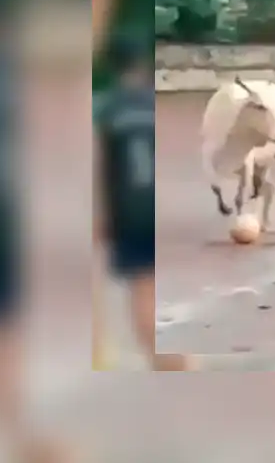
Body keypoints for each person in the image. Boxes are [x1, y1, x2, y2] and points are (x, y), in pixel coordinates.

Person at [93, 35, 195, 373]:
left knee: (136, 285)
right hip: (149, 202)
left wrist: (100, 214)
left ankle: (145, 354)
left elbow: (99, 165)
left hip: (124, 206)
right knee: (150, 283)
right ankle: (163, 355)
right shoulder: (153, 105)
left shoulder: (107, 108)